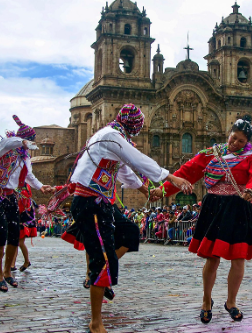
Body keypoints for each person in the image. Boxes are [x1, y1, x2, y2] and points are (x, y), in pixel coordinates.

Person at [66, 104, 191, 333]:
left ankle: (102, 271)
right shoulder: (111, 136)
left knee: (130, 232)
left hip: (101, 201)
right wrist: (171, 177)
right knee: (101, 261)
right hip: (90, 202)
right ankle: (96, 320)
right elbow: (137, 159)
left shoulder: (114, 136)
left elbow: (123, 170)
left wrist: (145, 190)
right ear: (134, 126)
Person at [152, 116, 252, 324]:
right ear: (229, 134)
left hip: (239, 208)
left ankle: (231, 302)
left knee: (238, 259)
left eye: (241, 141)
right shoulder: (211, 154)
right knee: (212, 257)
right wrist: (162, 190)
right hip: (215, 207)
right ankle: (206, 300)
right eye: (234, 138)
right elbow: (186, 172)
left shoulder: (251, 157)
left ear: (247, 142)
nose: (235, 143)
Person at [0, 115, 52, 292]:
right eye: (29, 140)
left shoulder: (25, 157)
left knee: (14, 234)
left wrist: (41, 186)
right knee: (1, 232)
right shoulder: (5, 146)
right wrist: (22, 139)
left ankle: (8, 272)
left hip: (10, 195)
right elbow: (13, 141)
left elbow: (29, 176)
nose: (30, 143)